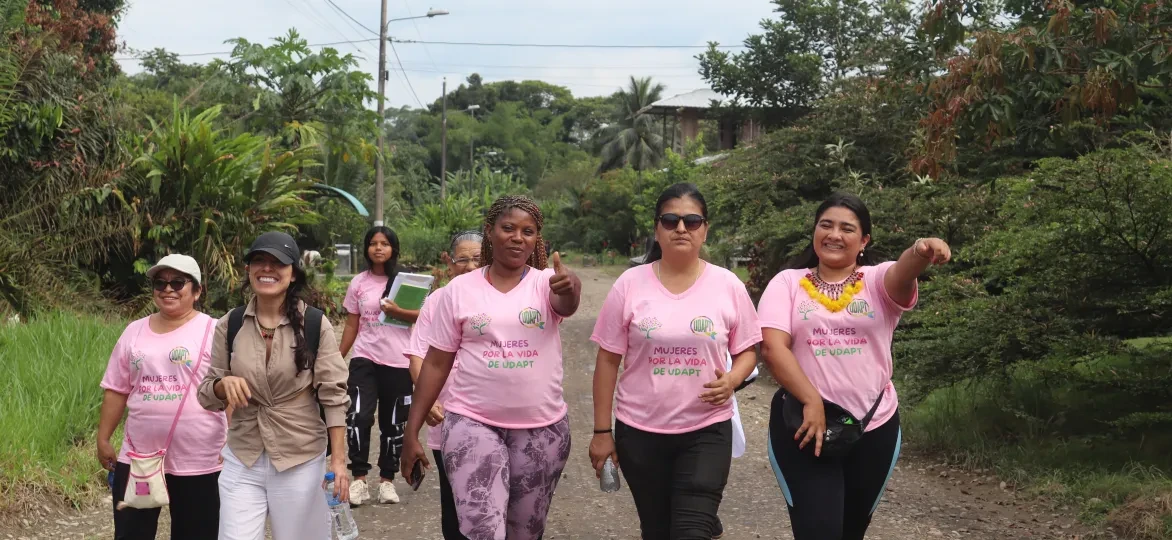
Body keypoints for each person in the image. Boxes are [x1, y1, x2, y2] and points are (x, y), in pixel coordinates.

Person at [757, 193, 951, 540]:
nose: (834, 234)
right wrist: (811, 400)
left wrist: (920, 250)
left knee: (850, 531)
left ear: (863, 241)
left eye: (847, 229)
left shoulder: (876, 282)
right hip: (804, 427)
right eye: (826, 225)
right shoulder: (786, 283)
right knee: (819, 530)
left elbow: (902, 273)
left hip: (873, 427)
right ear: (814, 232)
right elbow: (772, 348)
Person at [400, 195, 583, 540]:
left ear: (536, 240)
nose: (517, 237)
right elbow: (437, 362)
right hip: (472, 423)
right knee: (482, 529)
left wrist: (571, 288)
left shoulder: (546, 284)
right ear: (490, 231)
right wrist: (412, 432)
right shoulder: (459, 290)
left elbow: (567, 304)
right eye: (508, 228)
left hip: (542, 430)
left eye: (528, 231)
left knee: (524, 532)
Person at [589, 183, 762, 540]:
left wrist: (732, 380)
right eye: (670, 220)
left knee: (690, 531)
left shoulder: (728, 285)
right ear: (657, 229)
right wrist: (602, 432)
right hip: (640, 433)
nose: (681, 228)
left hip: (707, 430)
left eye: (691, 220)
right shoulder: (629, 285)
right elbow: (607, 361)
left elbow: (748, 351)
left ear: (705, 229)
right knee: (657, 530)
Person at [197, 231, 351, 540]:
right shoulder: (231, 323)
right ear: (248, 270)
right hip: (243, 455)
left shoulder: (314, 323)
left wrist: (338, 461)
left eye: (277, 263)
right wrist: (222, 386)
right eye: (259, 261)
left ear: (293, 273)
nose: (267, 269)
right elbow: (206, 392)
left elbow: (333, 396)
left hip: (300, 457)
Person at [97, 254, 227, 540]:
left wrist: (234, 444)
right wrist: (103, 438)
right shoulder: (134, 331)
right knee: (132, 533)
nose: (168, 289)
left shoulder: (216, 330)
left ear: (197, 291)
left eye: (178, 282)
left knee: (197, 533)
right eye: (160, 283)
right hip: (138, 456)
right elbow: (117, 389)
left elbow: (228, 390)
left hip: (201, 458)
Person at [403, 229, 483, 540]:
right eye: (462, 259)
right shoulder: (437, 301)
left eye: (478, 258)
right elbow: (418, 357)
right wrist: (428, 402)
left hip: (495, 417)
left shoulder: (504, 297)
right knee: (455, 507)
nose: (470, 266)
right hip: (448, 421)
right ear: (449, 264)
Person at [339, 226, 418, 505]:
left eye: (384, 243)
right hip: (365, 358)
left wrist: (397, 312)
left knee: (393, 423)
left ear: (393, 248)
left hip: (399, 360)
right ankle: (359, 478)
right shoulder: (358, 282)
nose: (378, 248)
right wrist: (337, 359)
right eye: (373, 243)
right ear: (366, 249)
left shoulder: (408, 282)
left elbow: (423, 317)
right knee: (358, 416)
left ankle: (387, 480)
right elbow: (351, 324)